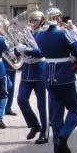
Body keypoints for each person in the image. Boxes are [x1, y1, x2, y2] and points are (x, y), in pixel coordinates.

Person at [35, 5, 77, 153]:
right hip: (65, 76)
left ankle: (58, 147)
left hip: (48, 76)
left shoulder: (39, 36)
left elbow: (39, 52)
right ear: (57, 18)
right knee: (75, 110)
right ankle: (63, 135)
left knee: (56, 112)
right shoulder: (64, 33)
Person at [15, 9, 49, 144]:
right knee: (21, 100)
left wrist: (26, 49)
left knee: (42, 104)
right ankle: (35, 125)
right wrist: (17, 49)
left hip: (40, 71)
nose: (32, 23)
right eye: (31, 20)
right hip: (27, 71)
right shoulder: (25, 34)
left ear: (41, 22)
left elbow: (42, 53)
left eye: (35, 20)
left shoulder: (43, 35)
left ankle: (44, 133)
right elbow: (17, 51)